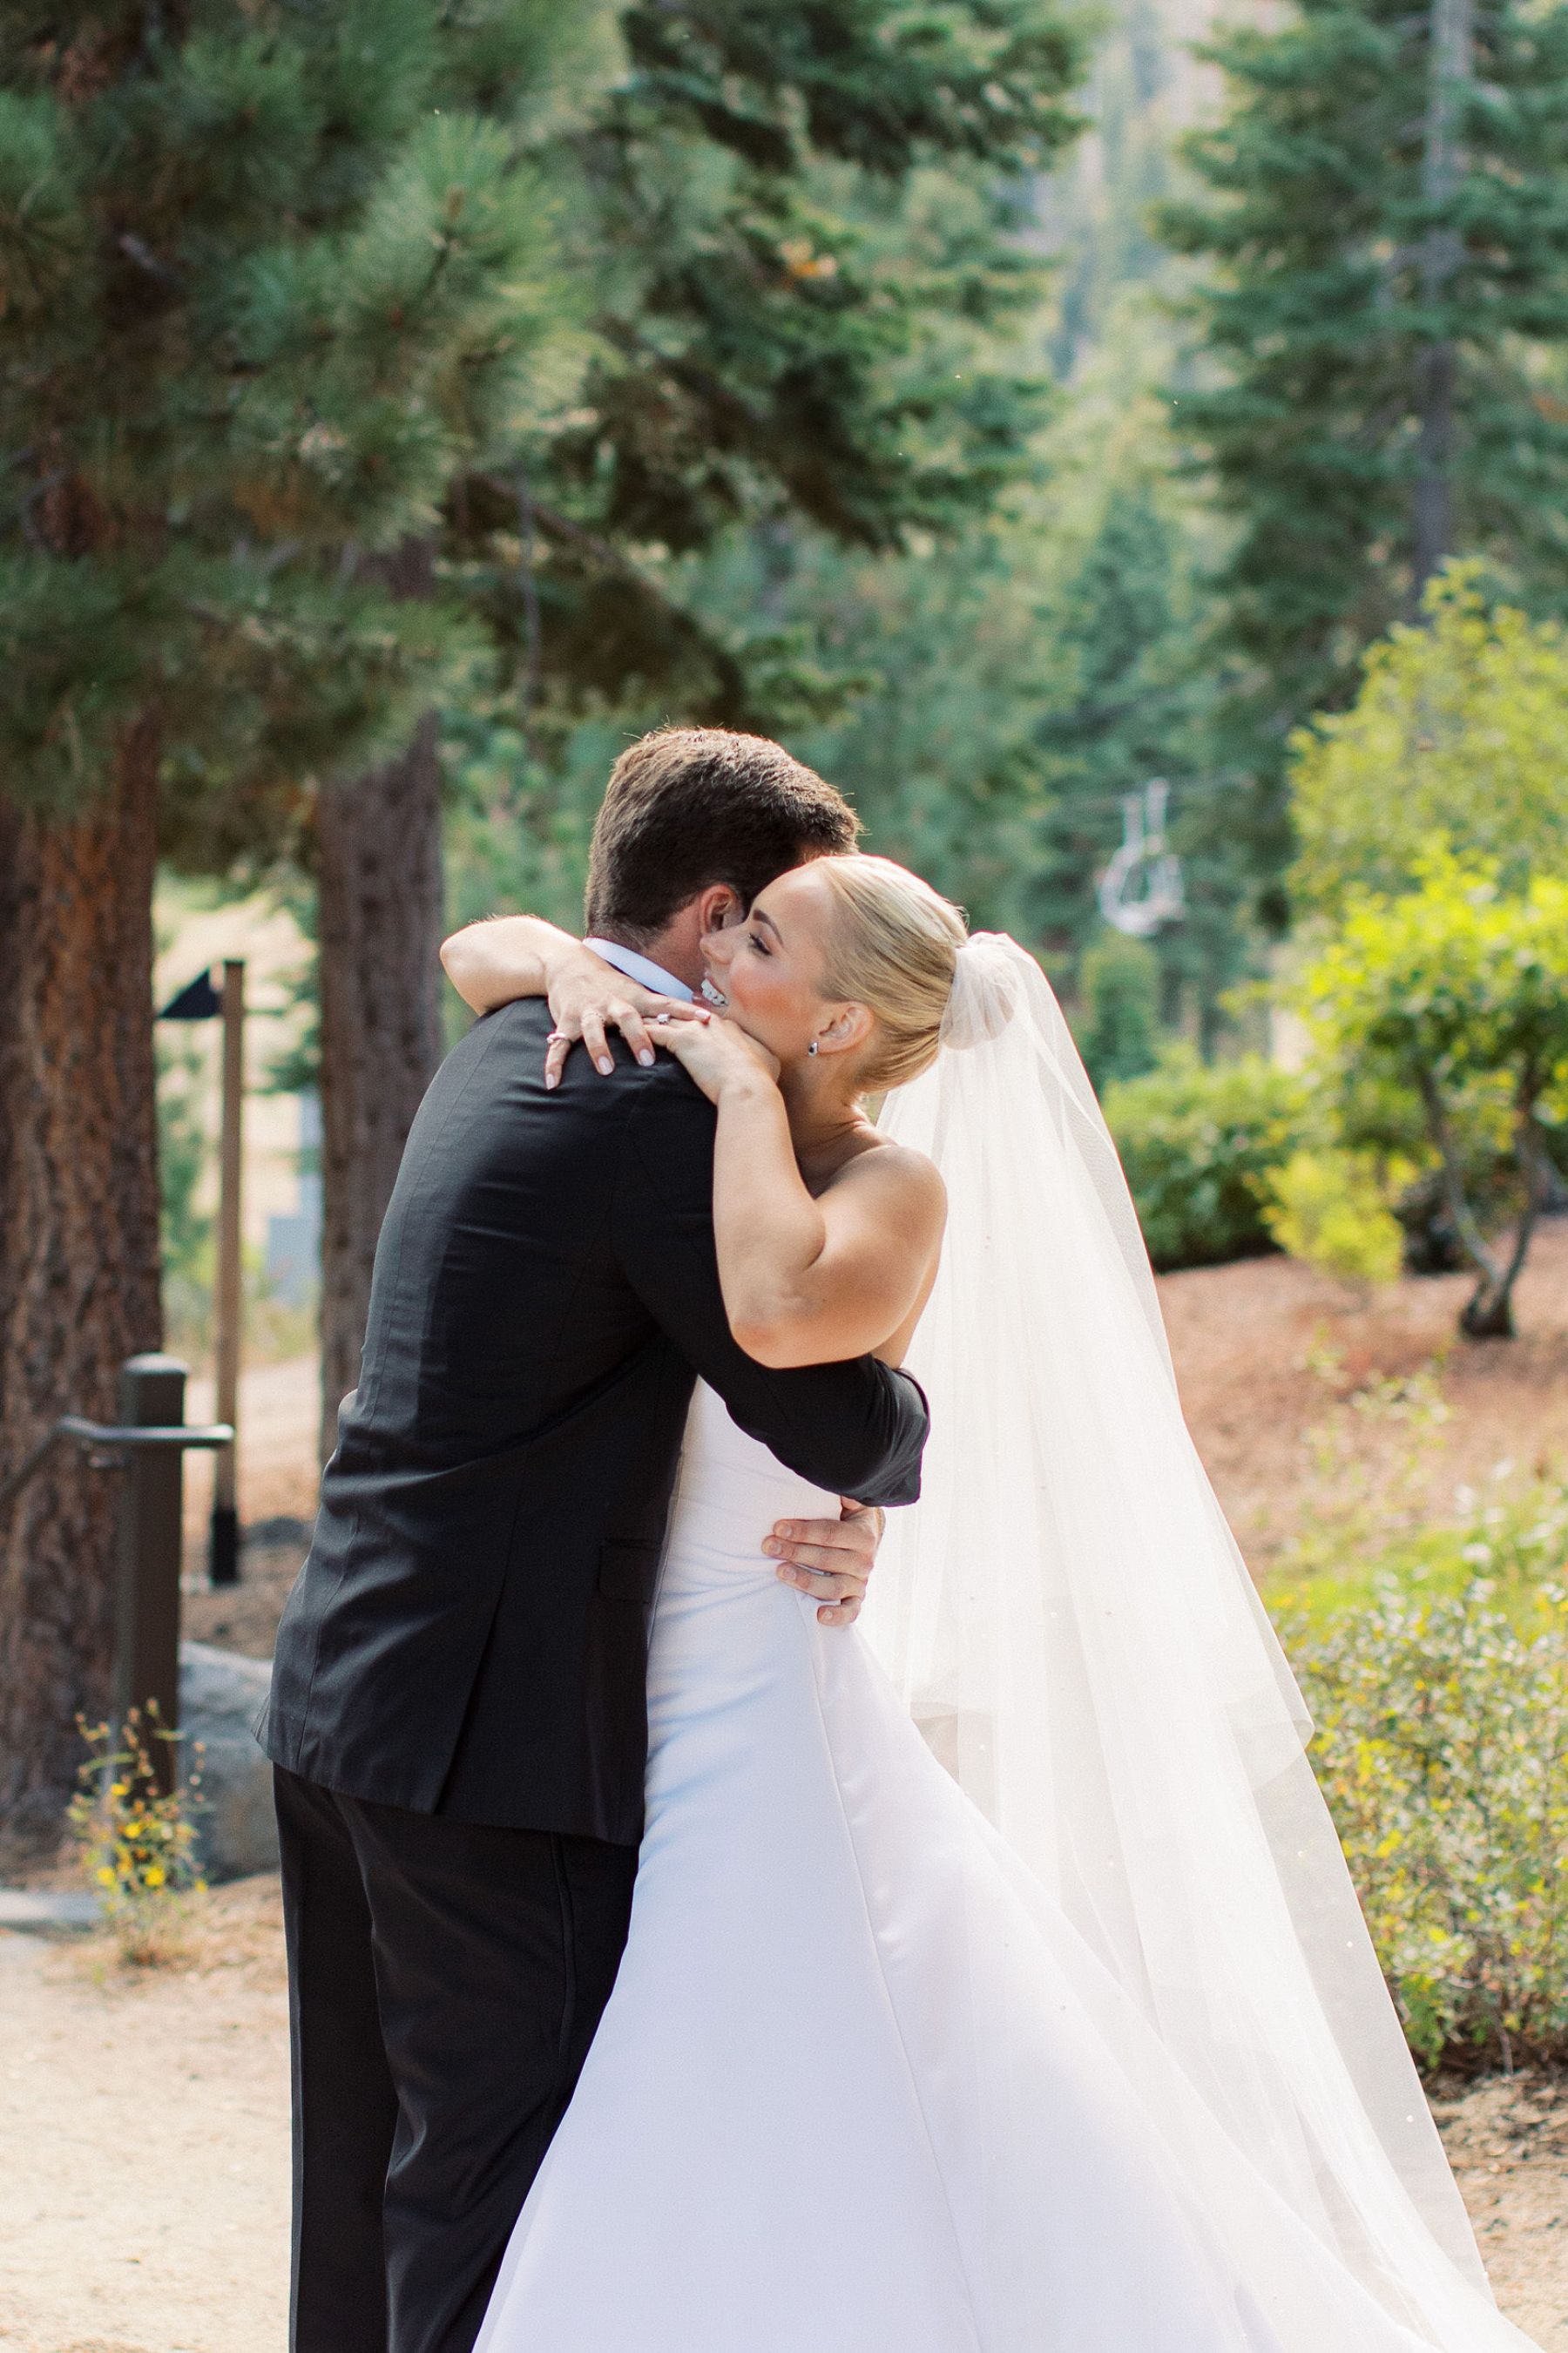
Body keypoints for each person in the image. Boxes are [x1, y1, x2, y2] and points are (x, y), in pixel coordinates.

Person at [444, 851, 1541, 2352]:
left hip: (757, 1708)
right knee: (803, 2070)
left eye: (759, 939)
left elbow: (772, 1314)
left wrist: (749, 1101)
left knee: (715, 2052)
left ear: (833, 1028)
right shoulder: (695, 1086)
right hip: (636, 1686)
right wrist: (568, 967)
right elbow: (474, 944)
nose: (716, 961)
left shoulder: (892, 1183)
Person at [256, 729, 932, 2353]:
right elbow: (832, 1415)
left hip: (343, 1680)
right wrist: (889, 1453)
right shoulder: (663, 1107)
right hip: (489, 1742)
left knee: (360, 2190)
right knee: (499, 2200)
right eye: (764, 920)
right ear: (711, 922)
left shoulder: (506, 1031)